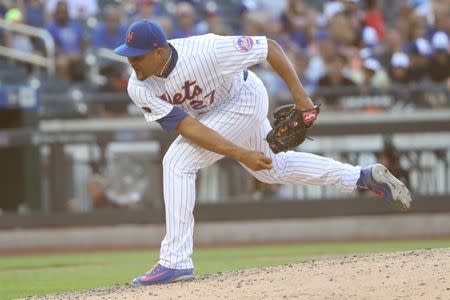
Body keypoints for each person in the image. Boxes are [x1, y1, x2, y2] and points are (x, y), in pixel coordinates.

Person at [113, 20, 412, 285]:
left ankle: (175, 261)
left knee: (177, 162)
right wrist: (242, 153)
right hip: (208, 116)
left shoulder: (206, 50)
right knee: (272, 170)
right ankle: (361, 176)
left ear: (160, 52)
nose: (132, 62)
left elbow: (268, 47)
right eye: (128, 55)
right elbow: (188, 128)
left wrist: (301, 97)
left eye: (137, 56)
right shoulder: (139, 87)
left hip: (243, 98)